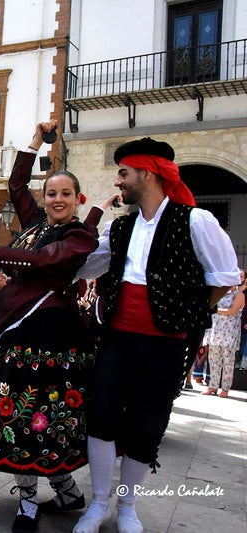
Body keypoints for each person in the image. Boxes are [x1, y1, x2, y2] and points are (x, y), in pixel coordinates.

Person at [0, 120, 99, 533]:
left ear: (77, 199)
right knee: (19, 420)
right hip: (14, 335)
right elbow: (15, 184)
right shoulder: (33, 224)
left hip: (53, 339)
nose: (57, 199)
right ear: (44, 198)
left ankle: (62, 489)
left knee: (45, 419)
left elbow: (47, 263)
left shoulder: (80, 236)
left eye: (65, 194)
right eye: (51, 193)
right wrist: (35, 141)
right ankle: (32, 499)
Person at [73, 137, 240, 533]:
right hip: (117, 339)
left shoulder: (194, 220)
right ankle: (98, 504)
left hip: (165, 343)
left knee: (147, 425)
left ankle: (127, 506)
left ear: (147, 173)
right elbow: (83, 266)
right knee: (100, 419)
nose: (119, 182)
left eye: (124, 173)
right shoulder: (121, 227)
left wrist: (191, 311)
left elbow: (225, 278)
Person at [200, 283, 244, 398]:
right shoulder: (220, 293)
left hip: (229, 334)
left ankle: (225, 389)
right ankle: (213, 386)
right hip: (215, 332)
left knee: (228, 363)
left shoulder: (239, 295)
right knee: (214, 361)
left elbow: (232, 311)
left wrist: (214, 309)